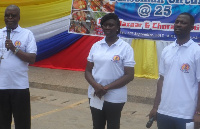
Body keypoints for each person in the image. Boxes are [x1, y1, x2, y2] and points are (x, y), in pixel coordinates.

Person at [148, 12, 200, 129]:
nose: (179, 25)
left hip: (187, 114)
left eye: (183, 23)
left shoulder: (197, 51)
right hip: (164, 111)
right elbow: (161, 80)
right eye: (177, 22)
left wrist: (198, 112)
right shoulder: (167, 50)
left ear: (192, 27)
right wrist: (156, 107)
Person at [85, 13, 136, 129]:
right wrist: (96, 87)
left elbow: (129, 75)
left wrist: (106, 88)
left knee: (113, 125)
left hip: (115, 96)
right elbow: (87, 71)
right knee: (97, 125)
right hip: (95, 93)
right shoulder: (96, 46)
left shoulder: (125, 48)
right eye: (105, 25)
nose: (107, 27)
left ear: (117, 27)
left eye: (111, 25)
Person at [0, 5, 37, 129]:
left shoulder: (27, 34)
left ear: (19, 17)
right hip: (1, 86)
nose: (10, 18)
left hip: (20, 87)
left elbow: (32, 58)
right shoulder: (0, 33)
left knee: (22, 124)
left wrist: (14, 49)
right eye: (7, 15)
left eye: (13, 15)